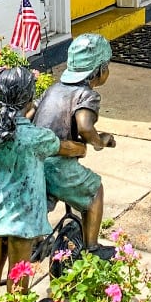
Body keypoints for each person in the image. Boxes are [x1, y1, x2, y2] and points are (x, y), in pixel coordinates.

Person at [0, 65, 87, 302]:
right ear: (27, 98)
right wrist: (82, 148)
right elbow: (63, 147)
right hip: (23, 209)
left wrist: (25, 111)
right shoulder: (36, 137)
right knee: (19, 264)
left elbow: (11, 124)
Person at [31, 34, 117, 260]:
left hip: (36, 162)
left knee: (44, 198)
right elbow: (85, 127)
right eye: (106, 66)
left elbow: (32, 113)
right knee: (94, 190)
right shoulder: (86, 95)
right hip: (60, 164)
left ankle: (35, 242)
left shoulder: (53, 89)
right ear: (98, 71)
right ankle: (92, 248)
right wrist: (100, 142)